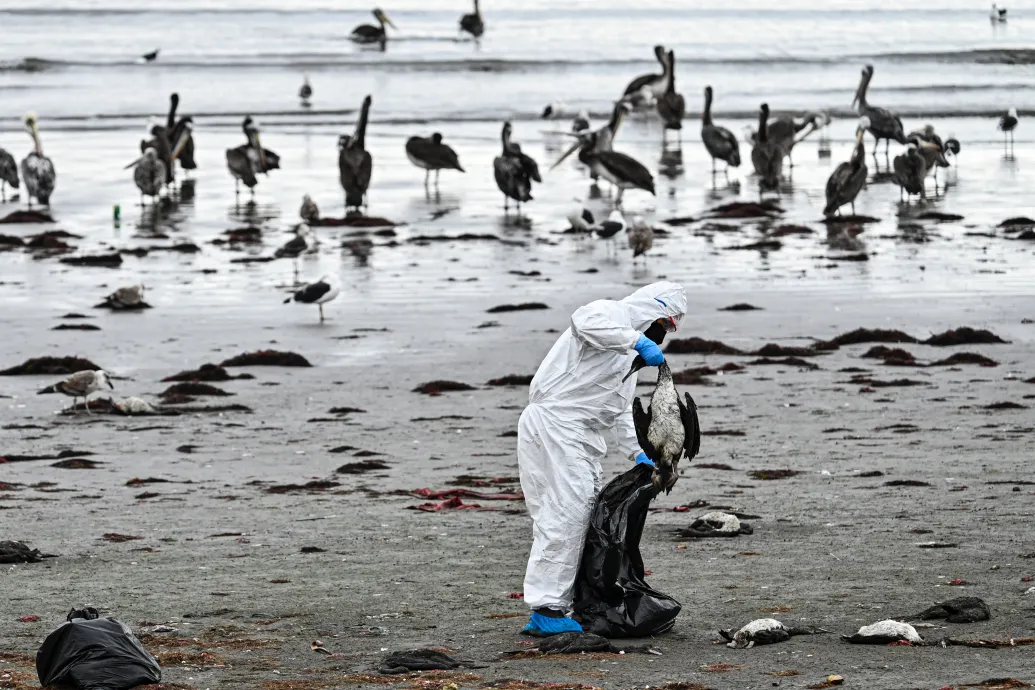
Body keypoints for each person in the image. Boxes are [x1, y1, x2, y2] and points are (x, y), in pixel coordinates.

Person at [517, 281, 688, 636]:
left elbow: (619, 408)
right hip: (555, 424)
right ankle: (547, 608)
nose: (664, 332)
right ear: (651, 311)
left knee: (572, 513)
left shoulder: (626, 353)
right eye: (666, 323)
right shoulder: (612, 315)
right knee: (567, 513)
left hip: (577, 434)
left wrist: (637, 451)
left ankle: (559, 603)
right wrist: (635, 339)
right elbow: (584, 321)